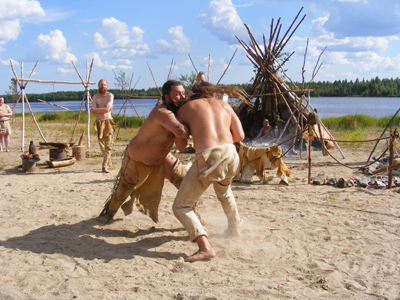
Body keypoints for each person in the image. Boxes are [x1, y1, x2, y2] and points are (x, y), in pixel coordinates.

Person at [173, 81, 250, 262]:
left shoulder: (185, 109)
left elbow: (181, 146)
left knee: (181, 206)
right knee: (224, 192)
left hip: (210, 156)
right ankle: (234, 228)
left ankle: (205, 247)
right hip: (231, 154)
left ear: (194, 94)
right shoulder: (224, 105)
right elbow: (239, 136)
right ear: (211, 92)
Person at [98, 80, 190, 224]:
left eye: (183, 93)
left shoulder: (177, 114)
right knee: (122, 191)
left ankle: (194, 218)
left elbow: (180, 147)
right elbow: (181, 131)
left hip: (162, 158)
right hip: (137, 159)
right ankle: (107, 214)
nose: (182, 97)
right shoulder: (162, 112)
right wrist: (195, 122)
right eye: (177, 94)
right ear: (166, 97)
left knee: (186, 183)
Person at [91, 79, 115, 173]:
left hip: (108, 121)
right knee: (101, 144)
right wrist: (104, 109)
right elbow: (93, 111)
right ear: (98, 86)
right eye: (101, 85)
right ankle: (108, 162)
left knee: (108, 145)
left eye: (104, 85)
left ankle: (104, 166)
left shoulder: (110, 95)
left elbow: (107, 109)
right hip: (99, 122)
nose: (103, 86)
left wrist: (98, 109)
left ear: (107, 86)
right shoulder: (95, 97)